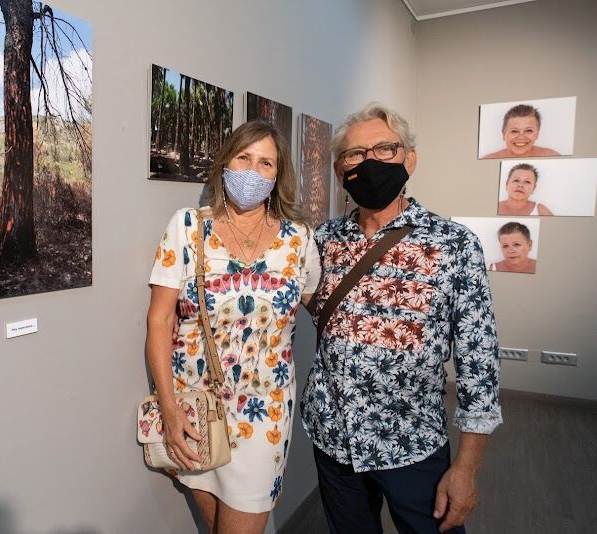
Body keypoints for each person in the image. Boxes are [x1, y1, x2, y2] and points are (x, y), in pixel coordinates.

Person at [301, 103, 503, 534]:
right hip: (334, 438)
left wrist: (466, 468)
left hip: (412, 444)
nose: (370, 162)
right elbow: (312, 305)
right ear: (340, 171)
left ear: (409, 159)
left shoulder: (453, 244)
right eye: (355, 154)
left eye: (384, 149)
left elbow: (479, 359)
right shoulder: (324, 240)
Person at [146, 119, 321, 534]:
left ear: (277, 176)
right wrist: (169, 409)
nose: (252, 171)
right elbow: (159, 320)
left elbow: (320, 307)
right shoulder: (187, 227)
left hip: (265, 413)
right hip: (196, 409)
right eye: (244, 157)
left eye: (265, 163)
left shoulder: (299, 240)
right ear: (225, 163)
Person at [484, 104, 560, 159]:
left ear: (537, 134)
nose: (521, 137)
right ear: (503, 134)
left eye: (528, 130)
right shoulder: (489, 159)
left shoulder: (552, 156)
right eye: (514, 131)